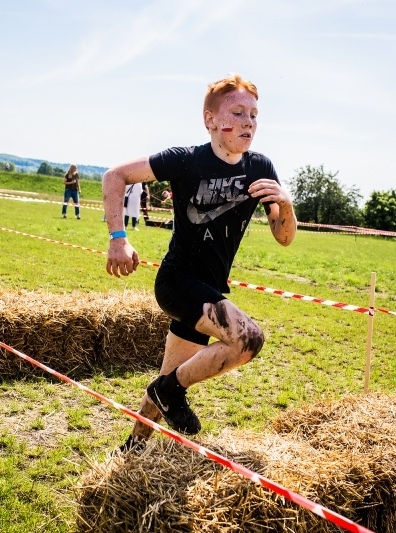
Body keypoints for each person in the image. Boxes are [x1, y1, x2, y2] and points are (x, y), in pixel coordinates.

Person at [103, 73, 297, 451]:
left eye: (254, 115)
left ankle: (133, 446)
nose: (248, 123)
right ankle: (170, 391)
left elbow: (285, 237)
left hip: (210, 288)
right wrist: (118, 238)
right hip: (178, 282)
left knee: (168, 376)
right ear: (210, 120)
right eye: (238, 113)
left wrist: (285, 203)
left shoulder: (260, 167)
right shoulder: (186, 160)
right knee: (248, 340)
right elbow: (116, 175)